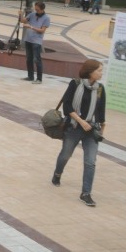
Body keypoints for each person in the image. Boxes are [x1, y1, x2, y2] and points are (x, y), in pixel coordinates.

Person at [52, 59, 107, 207]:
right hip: (74, 128)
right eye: (99, 70)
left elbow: (101, 114)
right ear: (90, 72)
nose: (102, 73)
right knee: (65, 155)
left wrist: (101, 130)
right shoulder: (75, 84)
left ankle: (86, 193)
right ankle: (57, 174)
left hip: (91, 130)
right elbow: (67, 106)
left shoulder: (100, 89)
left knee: (90, 162)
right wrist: (81, 121)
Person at [19, 1, 51, 84]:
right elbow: (22, 21)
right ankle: (30, 76)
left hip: (36, 41)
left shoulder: (46, 18)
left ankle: (39, 79)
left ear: (42, 9)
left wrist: (31, 27)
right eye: (35, 9)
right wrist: (21, 14)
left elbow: (42, 30)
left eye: (37, 9)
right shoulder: (32, 14)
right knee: (29, 59)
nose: (36, 11)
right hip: (28, 39)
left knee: (37, 60)